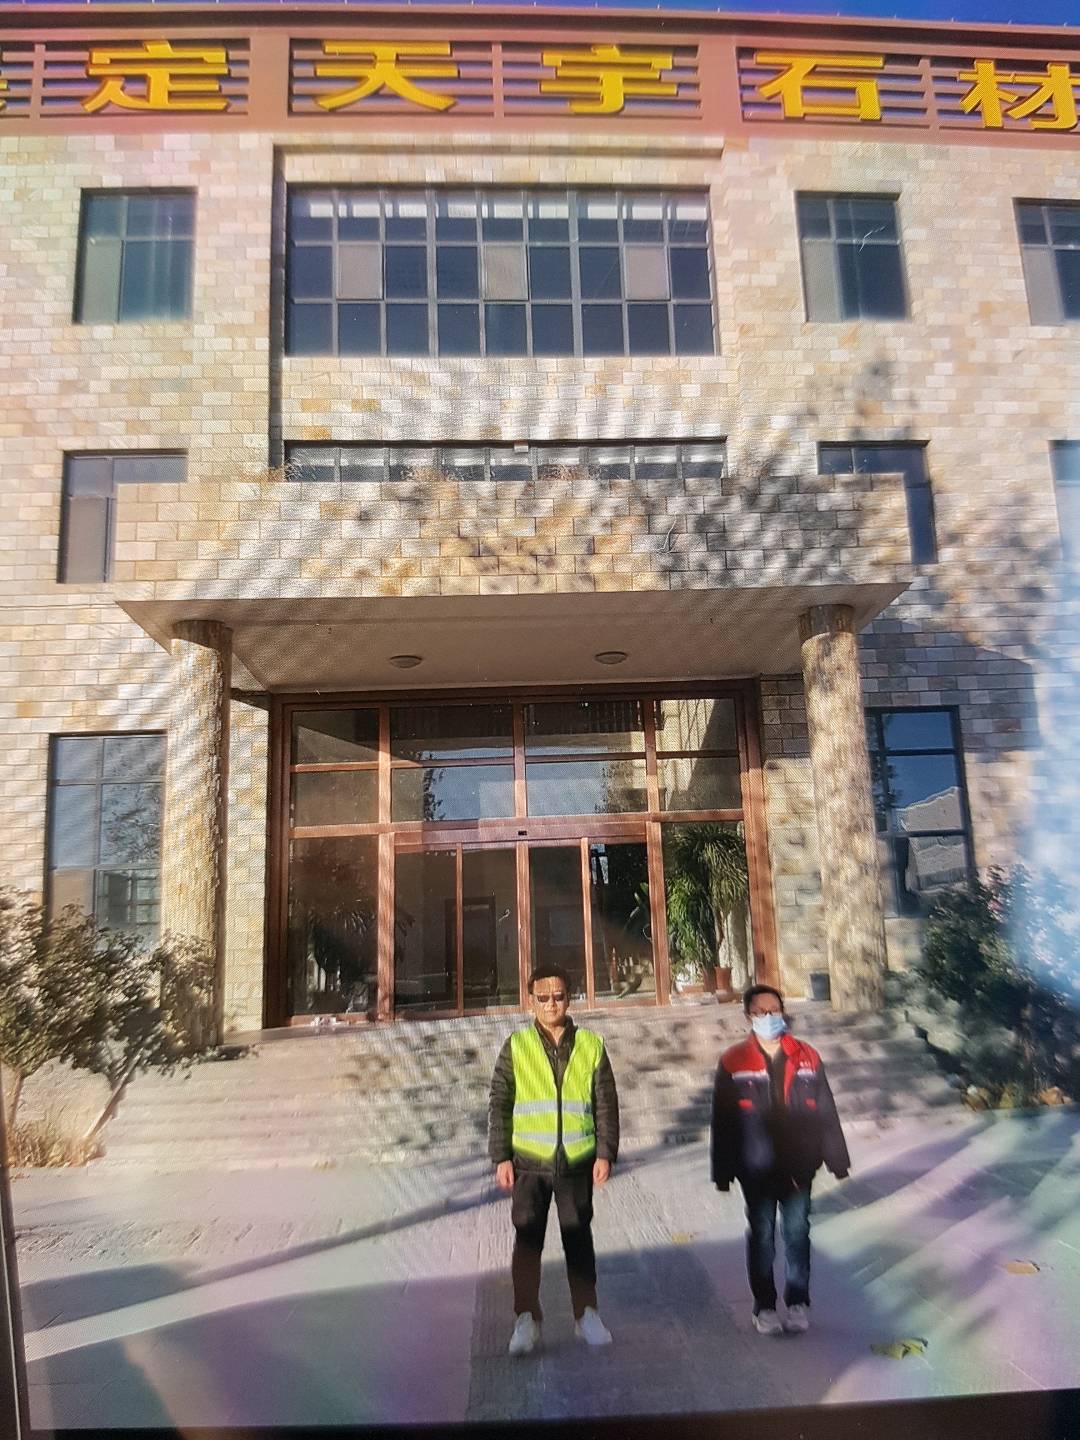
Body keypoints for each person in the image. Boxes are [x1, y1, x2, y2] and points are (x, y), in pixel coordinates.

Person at [488, 964, 620, 1356]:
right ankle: (526, 1319)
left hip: (576, 1161)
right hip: (529, 1163)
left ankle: (587, 1314)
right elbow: (500, 1102)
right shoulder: (516, 1046)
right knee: (528, 1242)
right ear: (530, 1000)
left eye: (559, 996)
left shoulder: (591, 1045)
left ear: (569, 998)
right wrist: (501, 1156)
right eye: (543, 997)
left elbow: (606, 1103)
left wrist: (605, 1152)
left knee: (578, 1239)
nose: (551, 1004)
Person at [710, 983, 850, 1336]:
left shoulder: (807, 1056)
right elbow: (723, 1121)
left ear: (783, 1012)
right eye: (761, 1012)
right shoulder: (734, 1061)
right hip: (755, 1166)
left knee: (797, 1232)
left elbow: (826, 1110)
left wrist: (836, 1158)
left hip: (798, 1165)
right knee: (762, 1235)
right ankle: (765, 1306)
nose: (769, 1017)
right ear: (748, 1016)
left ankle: (798, 1301)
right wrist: (723, 1171)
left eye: (774, 1010)